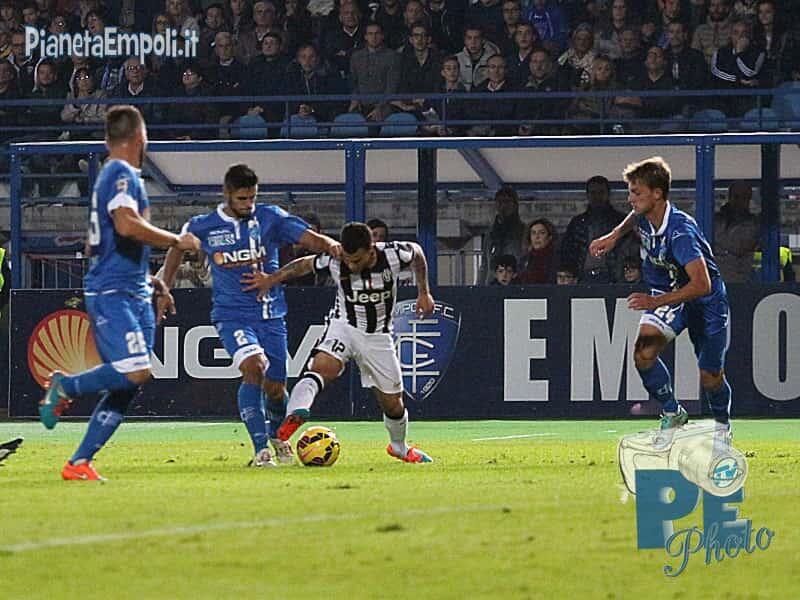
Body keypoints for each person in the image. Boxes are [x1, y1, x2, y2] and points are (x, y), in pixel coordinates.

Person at [38, 105, 201, 481]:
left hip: (132, 287)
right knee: (135, 370)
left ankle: (78, 462)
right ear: (140, 138)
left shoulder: (115, 176)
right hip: (112, 291)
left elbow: (110, 241)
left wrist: (151, 280)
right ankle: (65, 386)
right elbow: (126, 225)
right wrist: (177, 240)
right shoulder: (120, 173)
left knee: (130, 382)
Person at [161, 164, 341, 467]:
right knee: (253, 366)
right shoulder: (204, 225)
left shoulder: (271, 218)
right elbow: (177, 248)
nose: (248, 204)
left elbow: (310, 238)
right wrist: (165, 287)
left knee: (276, 388)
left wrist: (332, 245)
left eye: (252, 198)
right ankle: (261, 450)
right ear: (227, 194)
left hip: (271, 316)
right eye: (242, 199)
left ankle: (277, 437)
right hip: (232, 316)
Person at [248, 222, 435, 463]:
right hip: (344, 326)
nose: (351, 265)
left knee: (393, 404)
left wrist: (424, 292)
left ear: (371, 250)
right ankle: (295, 413)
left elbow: (418, 253)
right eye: (348, 259)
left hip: (378, 336)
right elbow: (303, 265)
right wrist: (271, 279)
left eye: (356, 260)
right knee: (323, 367)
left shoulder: (394, 253)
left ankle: (399, 447)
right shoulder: (336, 259)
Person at [589, 156, 732, 456]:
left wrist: (654, 302)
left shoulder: (680, 233)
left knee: (710, 377)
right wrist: (615, 235)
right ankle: (672, 412)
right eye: (630, 192)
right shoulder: (644, 213)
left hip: (705, 302)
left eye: (636, 193)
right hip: (668, 291)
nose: (630, 199)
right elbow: (633, 217)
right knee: (643, 354)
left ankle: (722, 428)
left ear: (657, 194)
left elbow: (702, 284)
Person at [713, 180, 759, 283]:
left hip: (741, 278)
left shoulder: (753, 224)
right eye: (736, 197)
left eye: (744, 198)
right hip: (717, 278)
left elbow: (740, 247)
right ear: (729, 197)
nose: (739, 201)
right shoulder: (715, 221)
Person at [518, 218, 559, 284]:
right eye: (533, 233)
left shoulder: (557, 259)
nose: (537, 237)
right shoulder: (524, 260)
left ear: (550, 237)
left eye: (542, 233)